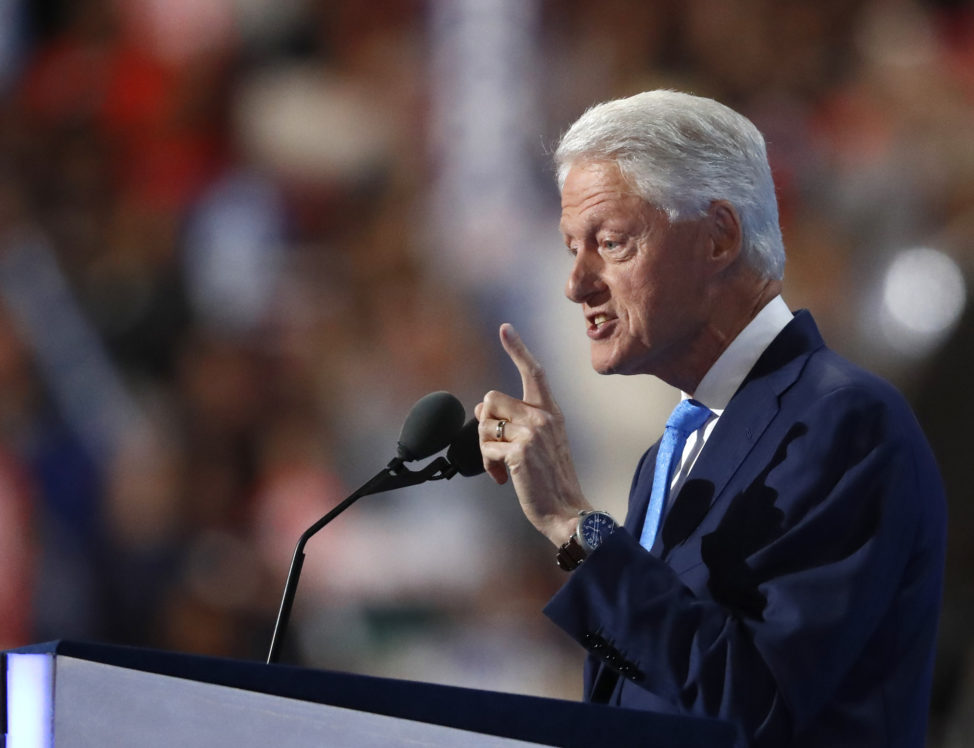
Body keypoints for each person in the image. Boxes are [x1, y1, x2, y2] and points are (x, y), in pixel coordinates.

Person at [475, 91, 946, 747]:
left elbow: (753, 712)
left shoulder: (846, 423)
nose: (575, 284)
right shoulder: (671, 454)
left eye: (610, 243)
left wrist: (572, 526)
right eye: (570, 248)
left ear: (719, 236)